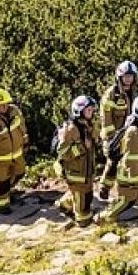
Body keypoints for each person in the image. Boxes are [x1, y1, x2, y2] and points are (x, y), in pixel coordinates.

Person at [103, 95, 138, 227]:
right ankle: (104, 219)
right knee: (126, 202)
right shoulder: (133, 131)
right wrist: (134, 179)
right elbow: (132, 158)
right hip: (131, 176)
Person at [55, 95, 102, 227]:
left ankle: (64, 204)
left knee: (88, 196)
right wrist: (81, 148)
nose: (91, 112)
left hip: (87, 172)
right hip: (76, 174)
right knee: (83, 218)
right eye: (89, 110)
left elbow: (95, 143)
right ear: (79, 111)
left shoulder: (88, 125)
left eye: (92, 110)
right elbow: (62, 153)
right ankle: (80, 216)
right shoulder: (70, 129)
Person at [98, 60, 138, 201]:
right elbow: (106, 118)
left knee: (132, 162)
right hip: (115, 134)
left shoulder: (137, 91)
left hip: (132, 134)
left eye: (131, 76)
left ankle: (131, 190)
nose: (128, 79)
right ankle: (104, 187)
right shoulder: (111, 94)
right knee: (113, 162)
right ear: (119, 77)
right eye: (125, 76)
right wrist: (111, 138)